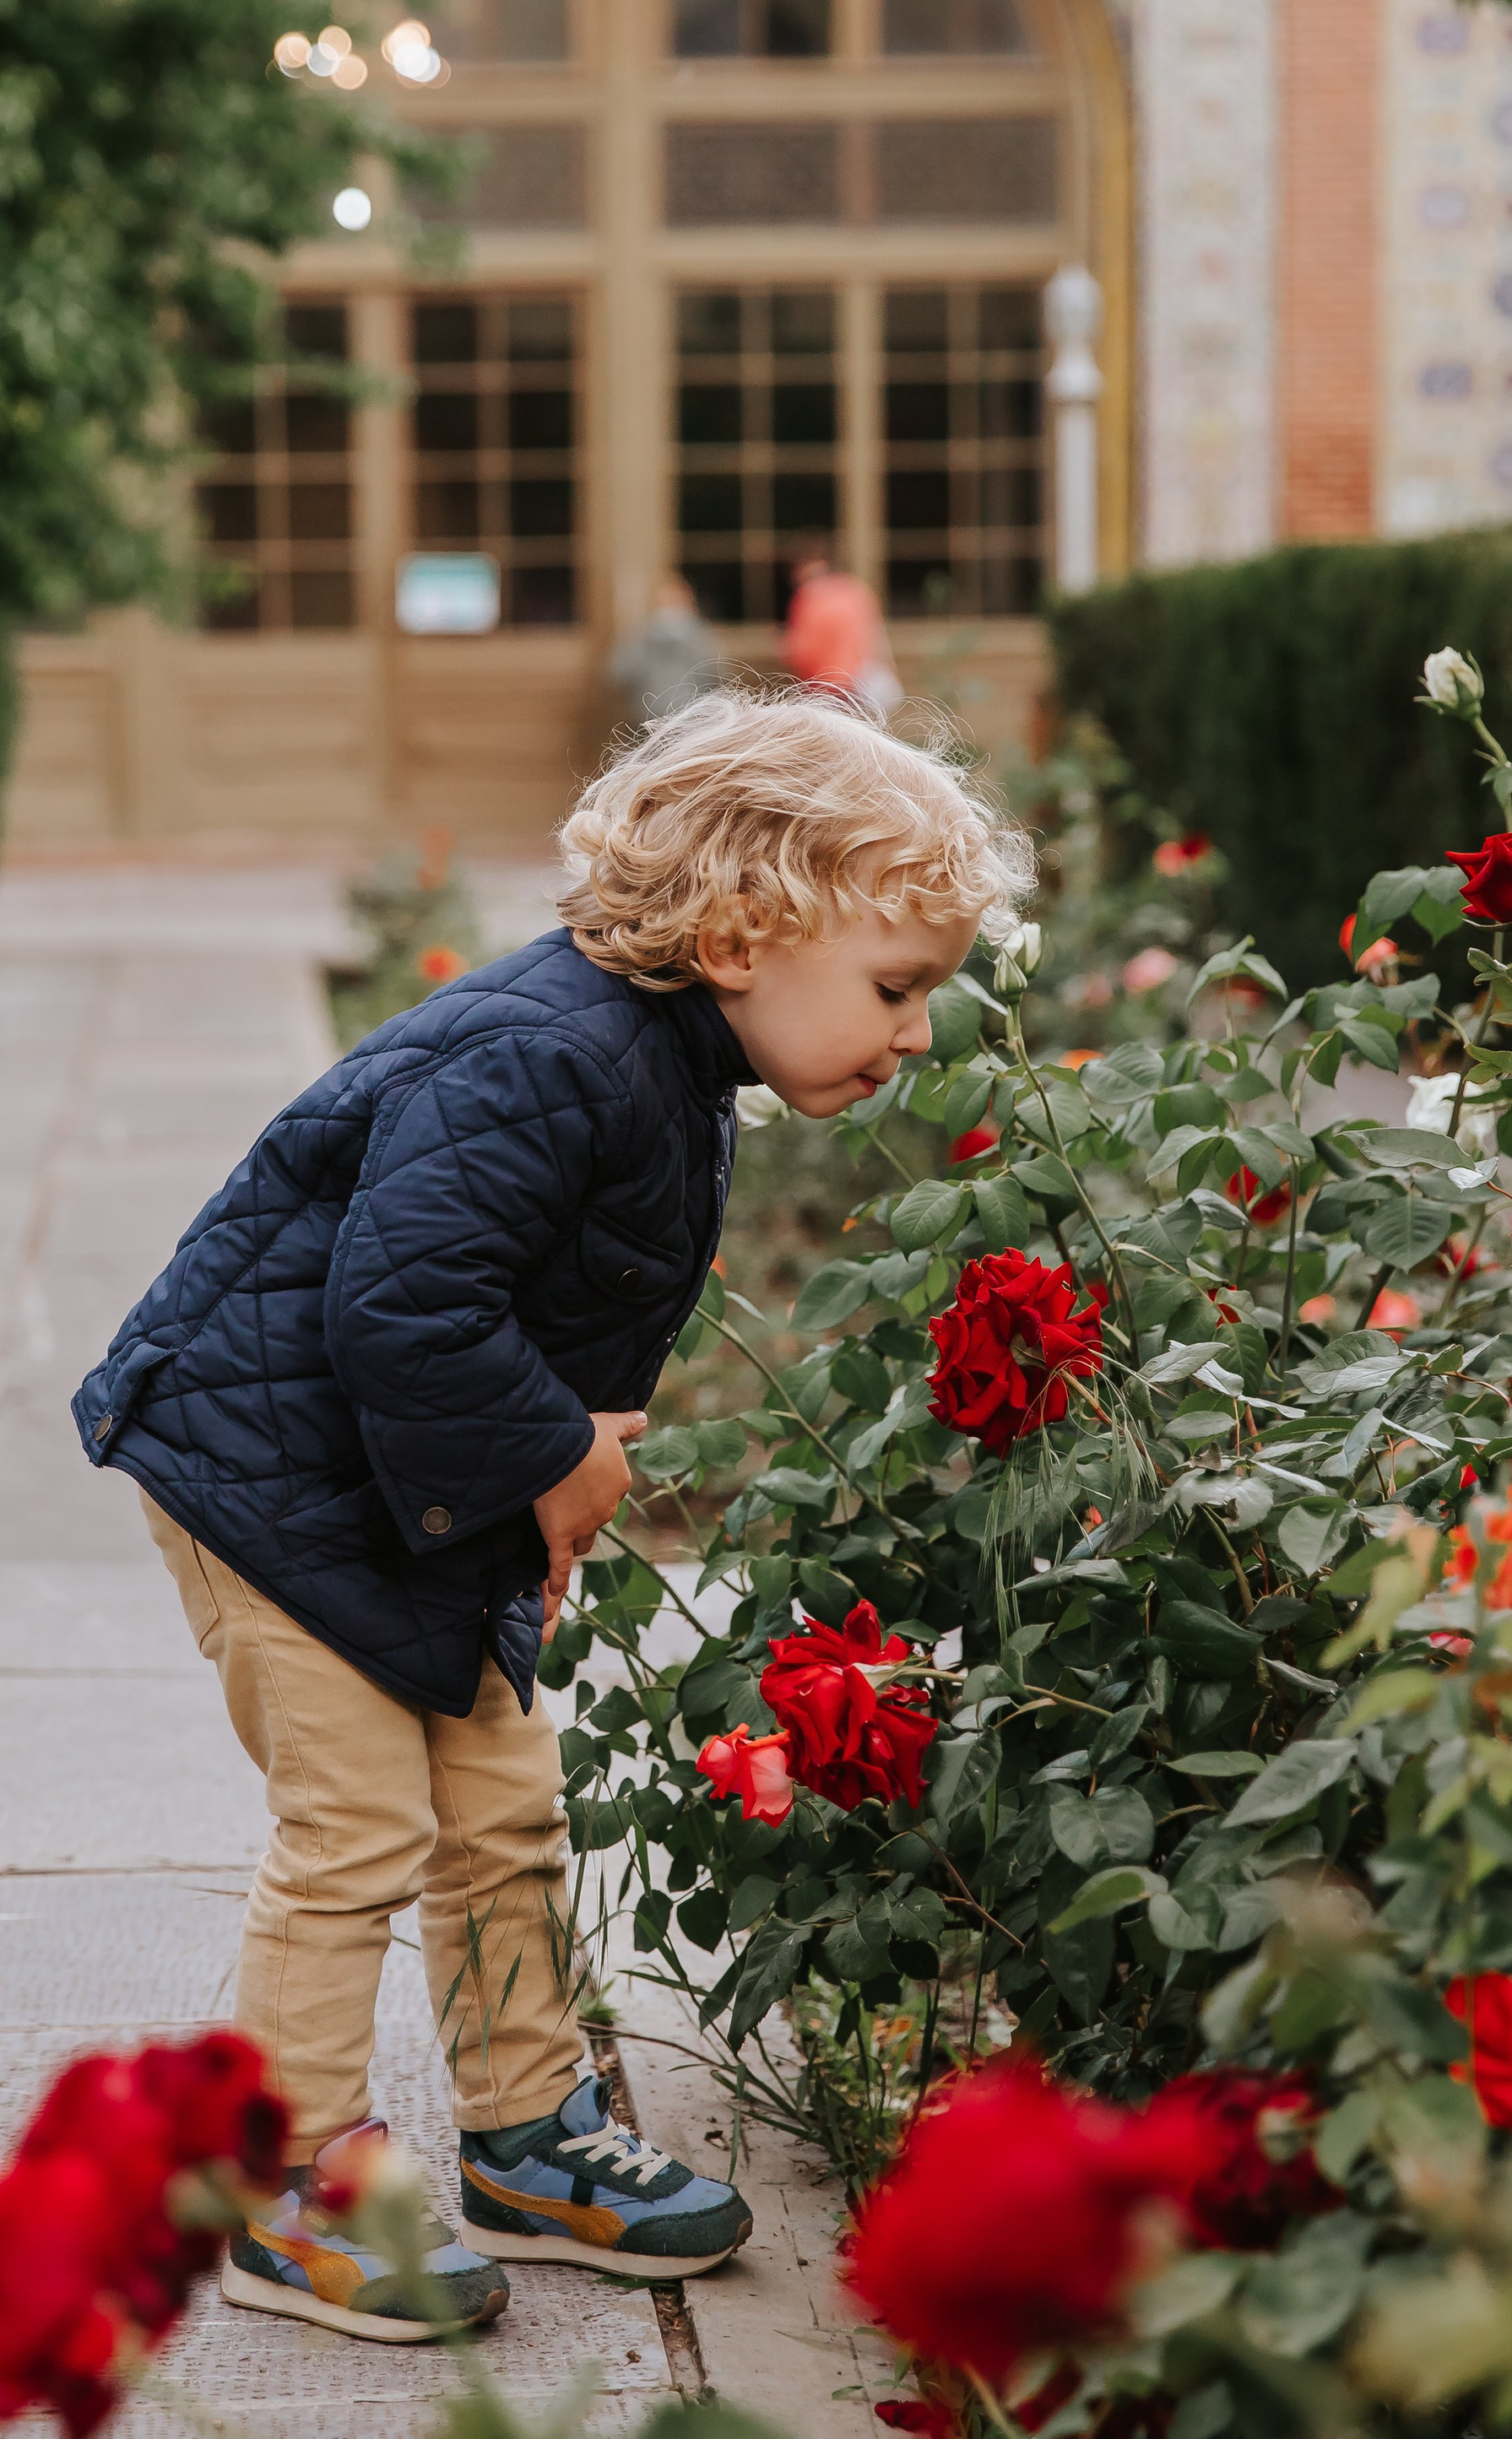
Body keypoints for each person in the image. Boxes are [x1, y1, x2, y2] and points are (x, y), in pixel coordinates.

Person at [73, 689, 1028, 2339]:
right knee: (355, 1833)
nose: (915, 1032)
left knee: (501, 1818)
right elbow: (403, 1304)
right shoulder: (551, 1049)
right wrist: (554, 1456)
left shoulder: (660, 1057)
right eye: (894, 986)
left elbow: (515, 1302)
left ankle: (528, 2141)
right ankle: (294, 2192)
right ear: (742, 931)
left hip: (411, 1486)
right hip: (274, 1478)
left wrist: (537, 1481)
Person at [781, 548, 902, 717]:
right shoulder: (856, 591)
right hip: (861, 683)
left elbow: (802, 652)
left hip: (827, 688)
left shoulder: (808, 598)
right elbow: (877, 636)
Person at [606, 568, 724, 730]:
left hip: (693, 723)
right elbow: (616, 674)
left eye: (675, 602)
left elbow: (717, 675)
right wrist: (646, 639)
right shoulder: (640, 636)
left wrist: (688, 638)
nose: (669, 610)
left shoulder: (699, 636)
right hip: (647, 724)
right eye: (664, 603)